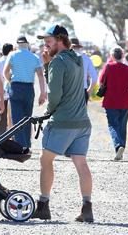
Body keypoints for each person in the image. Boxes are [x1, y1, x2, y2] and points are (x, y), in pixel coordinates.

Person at [33, 25, 93, 223]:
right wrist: (48, 63)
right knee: (81, 162)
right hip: (82, 122)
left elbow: (55, 93)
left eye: (48, 40)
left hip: (63, 121)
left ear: (60, 39)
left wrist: (48, 111)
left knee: (45, 159)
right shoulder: (77, 59)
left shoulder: (58, 62)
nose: (45, 44)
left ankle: (43, 205)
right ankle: (87, 207)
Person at [3, 36, 47, 148]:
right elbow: (41, 76)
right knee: (27, 117)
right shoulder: (34, 57)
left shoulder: (12, 55)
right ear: (27, 44)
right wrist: (43, 93)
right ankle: (27, 144)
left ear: (17, 44)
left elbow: (5, 71)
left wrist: (10, 80)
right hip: (28, 88)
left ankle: (20, 145)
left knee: (17, 118)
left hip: (16, 86)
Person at [97, 47, 128, 161]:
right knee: (122, 126)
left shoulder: (108, 67)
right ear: (123, 56)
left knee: (113, 125)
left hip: (111, 101)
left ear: (112, 56)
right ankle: (121, 148)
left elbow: (101, 83)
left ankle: (118, 145)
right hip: (126, 102)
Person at [0, 43, 14, 134]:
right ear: (11, 50)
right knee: (11, 118)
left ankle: (1, 139)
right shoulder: (12, 61)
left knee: (2, 119)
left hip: (0, 94)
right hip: (10, 93)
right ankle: (11, 139)